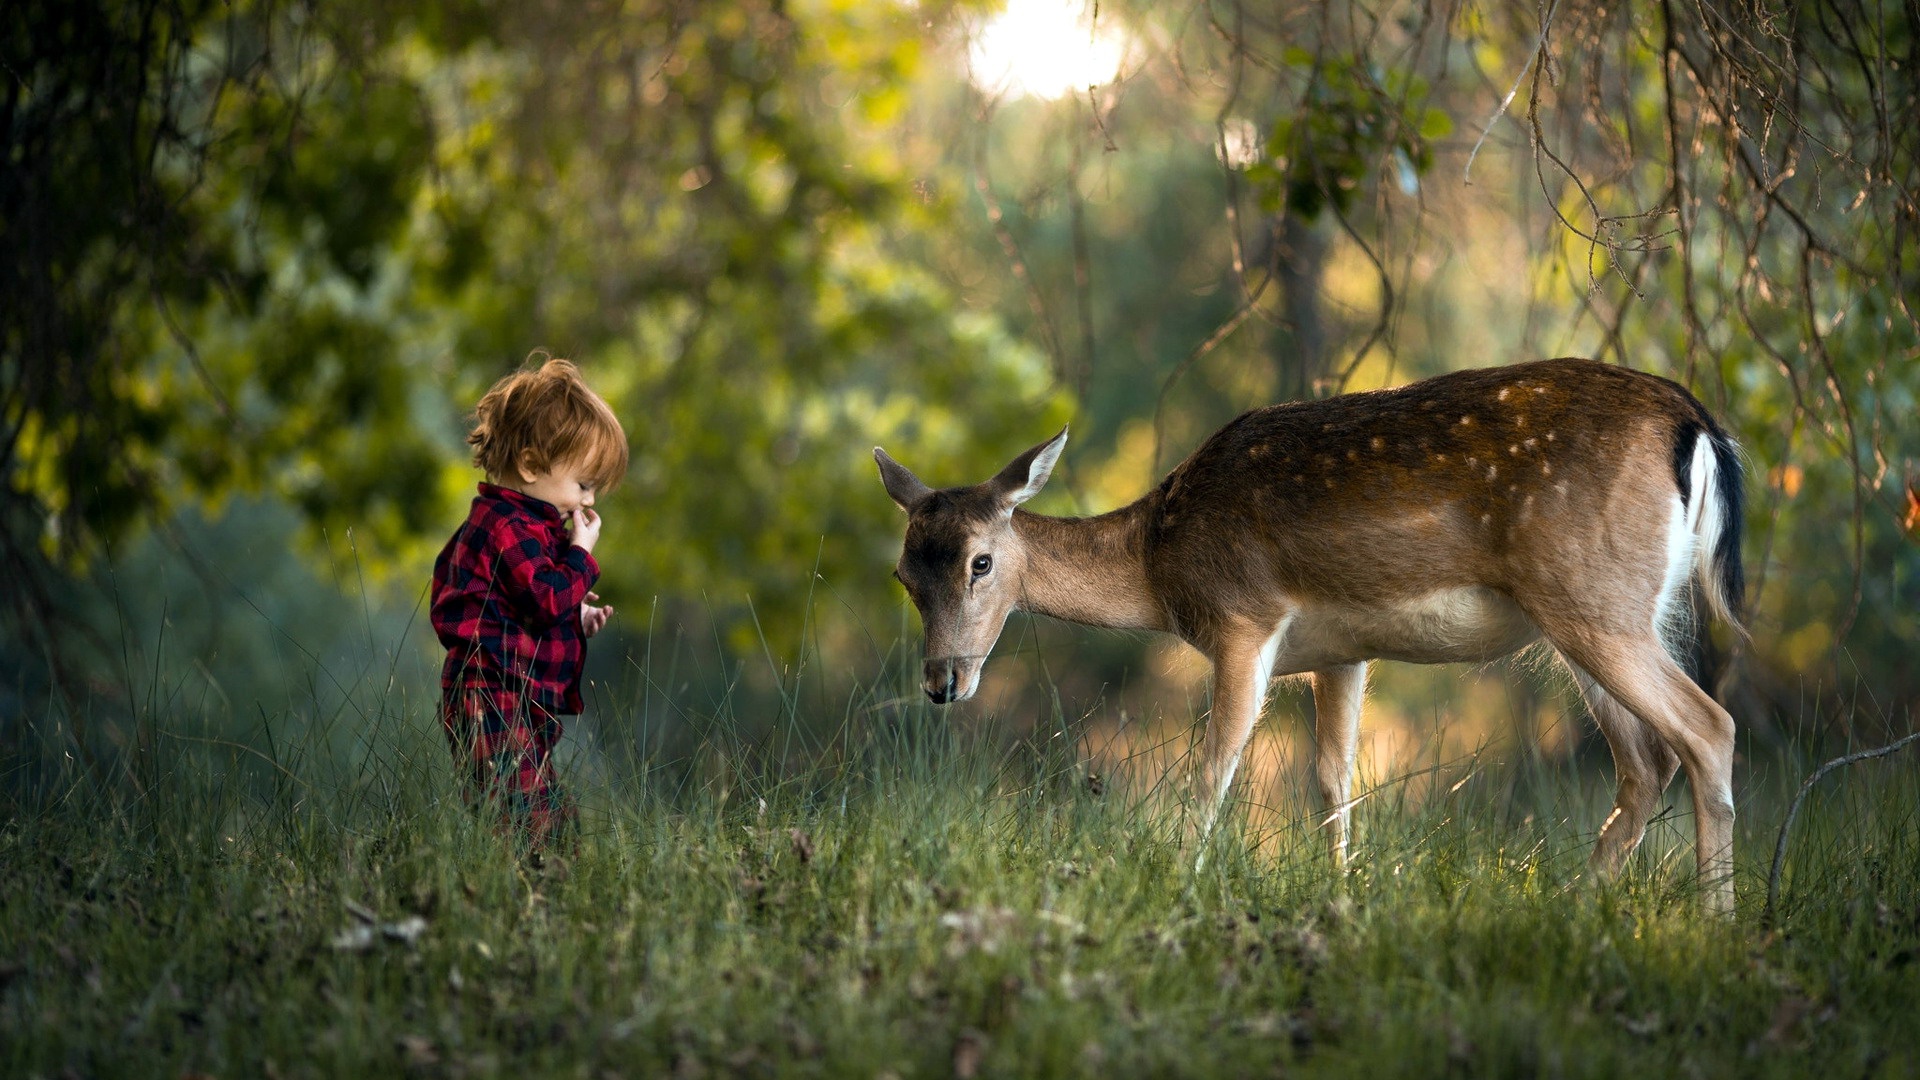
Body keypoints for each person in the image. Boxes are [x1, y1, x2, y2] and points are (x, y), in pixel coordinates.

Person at [430, 353, 628, 851]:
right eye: (583, 485)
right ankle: (525, 904)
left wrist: (575, 617)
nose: (588, 502)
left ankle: (540, 900)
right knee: (524, 820)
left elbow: (524, 606)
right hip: (490, 695)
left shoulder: (529, 530)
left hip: (518, 697)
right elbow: (543, 597)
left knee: (547, 816)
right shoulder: (507, 528)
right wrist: (581, 558)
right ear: (531, 465)